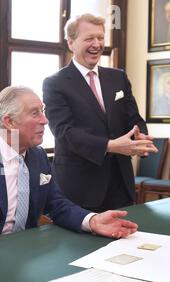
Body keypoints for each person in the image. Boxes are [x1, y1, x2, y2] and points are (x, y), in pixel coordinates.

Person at [0, 86, 138, 241]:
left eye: (42, 111)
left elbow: (57, 204)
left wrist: (93, 220)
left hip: (27, 253)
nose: (45, 120)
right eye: (35, 113)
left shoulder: (38, 156)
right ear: (9, 122)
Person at [42, 14, 158, 213]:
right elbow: (65, 132)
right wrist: (110, 146)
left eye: (100, 38)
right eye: (89, 39)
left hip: (120, 185)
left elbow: (134, 118)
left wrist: (140, 138)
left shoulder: (118, 77)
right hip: (80, 188)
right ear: (71, 43)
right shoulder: (55, 83)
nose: (97, 44)